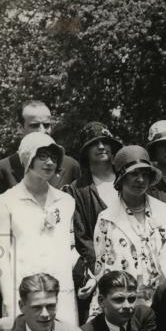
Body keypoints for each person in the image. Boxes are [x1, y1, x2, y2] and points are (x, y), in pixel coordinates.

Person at [0, 131, 81, 326]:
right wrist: (10, 300)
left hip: (61, 294)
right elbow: (1, 256)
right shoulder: (7, 201)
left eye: (53, 157)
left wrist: (87, 273)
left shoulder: (66, 201)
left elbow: (69, 247)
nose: (49, 162)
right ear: (28, 158)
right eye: (42, 156)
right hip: (24, 293)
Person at [90, 145, 166, 317]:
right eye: (134, 174)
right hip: (125, 302)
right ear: (121, 178)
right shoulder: (106, 218)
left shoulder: (164, 210)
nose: (140, 180)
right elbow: (101, 268)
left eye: (145, 174)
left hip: (163, 298)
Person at [67, 122, 123, 320]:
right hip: (98, 274)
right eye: (94, 143)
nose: (100, 147)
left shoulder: (127, 180)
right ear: (85, 151)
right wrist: (100, 273)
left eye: (105, 142)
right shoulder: (76, 190)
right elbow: (82, 237)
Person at [0, 100, 81, 212]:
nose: (42, 131)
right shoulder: (3, 169)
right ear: (19, 128)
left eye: (47, 125)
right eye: (34, 125)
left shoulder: (70, 166)